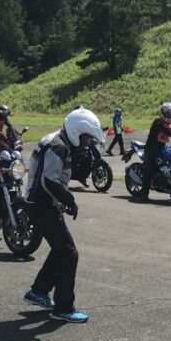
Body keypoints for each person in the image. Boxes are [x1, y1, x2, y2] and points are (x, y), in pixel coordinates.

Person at [22, 107, 105, 323]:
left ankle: (38, 291)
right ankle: (64, 307)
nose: (87, 143)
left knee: (61, 249)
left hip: (42, 202)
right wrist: (69, 200)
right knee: (69, 253)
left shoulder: (60, 140)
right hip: (41, 204)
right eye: (86, 138)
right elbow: (49, 180)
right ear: (77, 132)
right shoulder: (58, 145)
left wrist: (62, 200)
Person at [135, 102, 171, 200]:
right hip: (151, 149)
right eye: (167, 113)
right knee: (149, 169)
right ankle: (144, 193)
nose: (169, 116)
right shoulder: (157, 122)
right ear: (162, 113)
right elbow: (167, 132)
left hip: (163, 149)